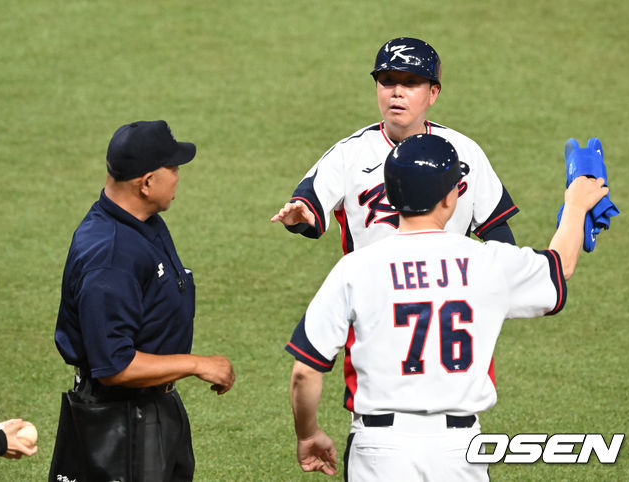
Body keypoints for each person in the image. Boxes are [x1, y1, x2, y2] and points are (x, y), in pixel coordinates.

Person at [285, 134, 609, 480]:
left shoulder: (356, 268)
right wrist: (576, 205)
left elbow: (306, 371)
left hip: (379, 449)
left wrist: (308, 434)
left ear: (391, 197)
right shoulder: (488, 263)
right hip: (459, 451)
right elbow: (561, 266)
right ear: (451, 198)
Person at [49, 120, 235, 482]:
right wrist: (196, 364)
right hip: (120, 425)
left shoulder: (140, 220)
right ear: (146, 182)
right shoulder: (110, 257)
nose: (179, 176)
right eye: (173, 168)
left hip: (152, 407)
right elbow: (114, 366)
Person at [272, 37, 518, 254]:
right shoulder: (349, 154)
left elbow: (495, 227)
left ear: (433, 93)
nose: (397, 92)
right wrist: (300, 217)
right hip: (376, 295)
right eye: (388, 81)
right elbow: (308, 203)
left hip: (445, 292)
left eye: (411, 82)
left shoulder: (464, 151)